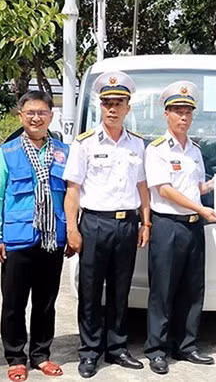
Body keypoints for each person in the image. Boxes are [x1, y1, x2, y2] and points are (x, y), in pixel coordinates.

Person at [63, 71, 151, 378]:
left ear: (128, 107)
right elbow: (73, 190)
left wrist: (146, 222)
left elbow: (142, 186)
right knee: (89, 290)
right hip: (94, 223)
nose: (112, 109)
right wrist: (72, 229)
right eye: (107, 103)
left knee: (120, 289)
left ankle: (117, 347)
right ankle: (89, 351)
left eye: (118, 103)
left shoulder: (137, 144)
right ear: (100, 106)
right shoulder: (84, 143)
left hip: (126, 224)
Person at [0, 91, 70, 382]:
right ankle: (15, 357)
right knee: (14, 303)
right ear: (21, 116)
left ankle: (41, 354)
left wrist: (72, 231)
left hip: (52, 238)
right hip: (17, 238)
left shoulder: (64, 152)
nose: (36, 118)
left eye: (42, 112)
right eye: (30, 113)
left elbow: (72, 195)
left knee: (46, 302)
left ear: (51, 116)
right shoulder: (6, 152)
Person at [143, 81, 216, 375]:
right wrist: (200, 208)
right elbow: (163, 190)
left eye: (188, 111)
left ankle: (186, 346)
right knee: (162, 291)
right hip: (168, 226)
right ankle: (156, 350)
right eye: (177, 111)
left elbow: (194, 187)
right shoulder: (157, 150)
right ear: (166, 114)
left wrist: (214, 185)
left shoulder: (195, 150)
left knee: (192, 289)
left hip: (193, 227)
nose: (183, 117)